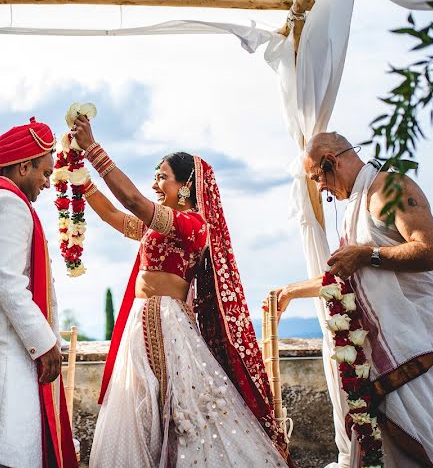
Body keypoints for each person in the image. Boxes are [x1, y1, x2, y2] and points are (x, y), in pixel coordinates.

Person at [70, 115, 291, 467]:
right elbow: (114, 214)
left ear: (186, 185)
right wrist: (79, 179)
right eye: (155, 176)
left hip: (166, 322)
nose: (156, 184)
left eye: (163, 177)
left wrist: (94, 150)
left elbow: (131, 201)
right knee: (141, 408)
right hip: (140, 322)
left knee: (179, 414)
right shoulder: (158, 224)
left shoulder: (192, 224)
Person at [273, 132, 433, 467]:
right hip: (378, 355)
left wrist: (369, 255)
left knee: (429, 453)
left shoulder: (391, 190)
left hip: (417, 344)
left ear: (331, 161)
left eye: (317, 177)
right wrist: (290, 292)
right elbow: (345, 271)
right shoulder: (352, 211)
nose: (320, 188)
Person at [0, 118, 78, 468]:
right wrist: (46, 343)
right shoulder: (7, 206)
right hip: (7, 356)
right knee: (8, 459)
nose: (47, 183)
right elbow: (10, 284)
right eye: (44, 172)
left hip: (14, 354)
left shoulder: (5, 203)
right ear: (24, 166)